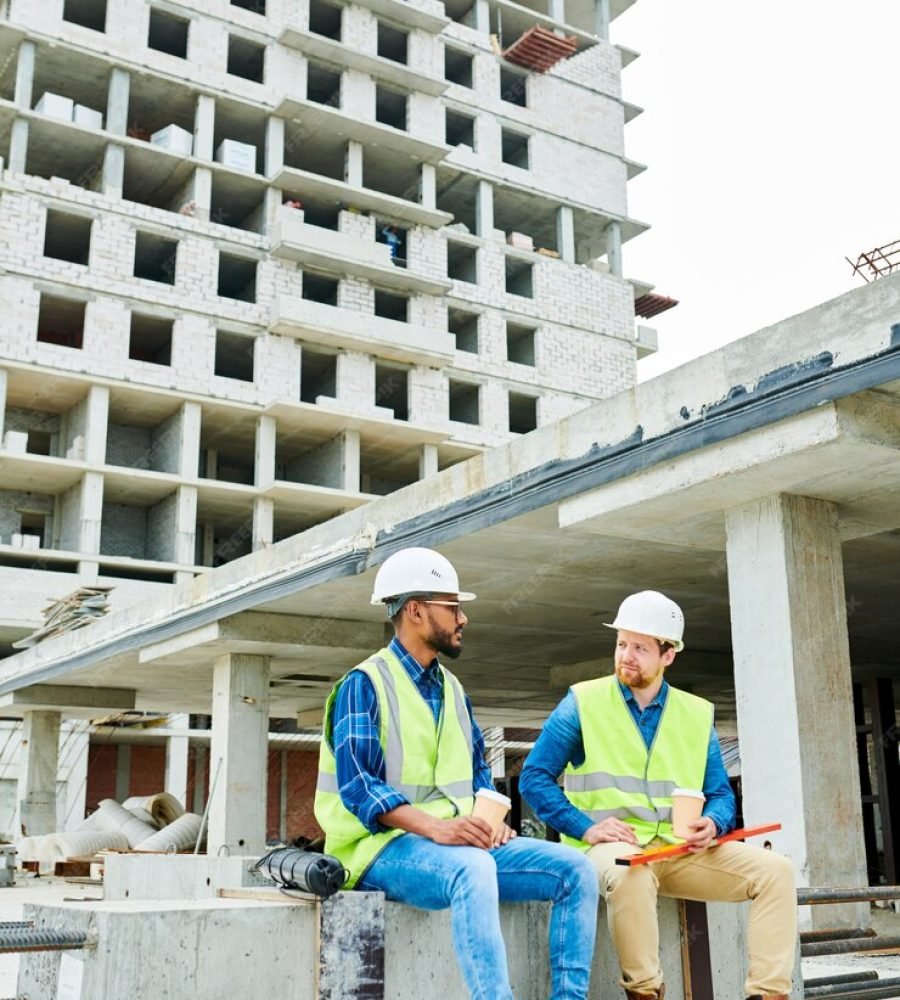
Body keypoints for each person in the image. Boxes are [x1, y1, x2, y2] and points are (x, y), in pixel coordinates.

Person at [314, 547, 599, 1000]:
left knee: (577, 870)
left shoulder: (453, 689)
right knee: (472, 869)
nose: (463, 618)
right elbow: (359, 786)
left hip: (453, 845)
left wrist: (490, 821)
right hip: (375, 851)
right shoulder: (364, 684)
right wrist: (439, 829)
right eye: (452, 607)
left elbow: (476, 773)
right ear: (416, 611)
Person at [520, 590, 797, 1000]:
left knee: (777, 872)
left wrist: (713, 823)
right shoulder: (582, 702)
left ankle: (768, 994)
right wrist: (588, 826)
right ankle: (645, 992)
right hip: (610, 850)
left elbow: (720, 793)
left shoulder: (696, 713)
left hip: (678, 849)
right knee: (631, 875)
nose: (626, 655)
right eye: (621, 644)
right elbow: (534, 777)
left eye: (640, 647)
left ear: (668, 655)